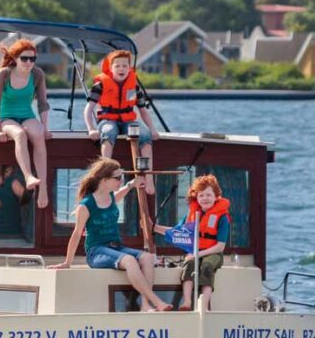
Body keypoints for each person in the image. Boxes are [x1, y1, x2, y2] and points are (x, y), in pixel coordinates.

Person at [50, 158, 172, 312]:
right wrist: (67, 262)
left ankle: (145, 305)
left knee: (147, 258)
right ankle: (157, 302)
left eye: (122, 177)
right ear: (104, 180)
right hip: (97, 252)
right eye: (118, 178)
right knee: (129, 261)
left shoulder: (111, 198)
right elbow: (76, 234)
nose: (121, 181)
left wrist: (131, 185)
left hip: (116, 247)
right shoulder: (86, 205)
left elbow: (121, 192)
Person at [83, 50, 160, 195]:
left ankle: (148, 176)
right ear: (111, 68)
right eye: (117, 66)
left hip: (128, 120)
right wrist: (91, 129)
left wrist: (153, 129)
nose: (121, 69)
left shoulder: (134, 86)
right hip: (107, 119)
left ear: (129, 68)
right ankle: (104, 176)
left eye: (125, 66)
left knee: (145, 135)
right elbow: (88, 110)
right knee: (108, 132)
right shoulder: (101, 85)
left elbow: (143, 111)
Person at [154, 174, 230, 311]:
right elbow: (177, 232)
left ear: (216, 196)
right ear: (196, 197)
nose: (205, 198)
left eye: (208, 195)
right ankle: (187, 302)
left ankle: (204, 305)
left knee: (206, 266)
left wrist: (198, 254)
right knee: (189, 264)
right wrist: (154, 227)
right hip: (195, 252)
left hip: (213, 253)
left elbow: (220, 247)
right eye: (201, 195)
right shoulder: (192, 214)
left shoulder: (222, 218)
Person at [0, 39, 51, 209]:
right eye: (24, 58)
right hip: (7, 117)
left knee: (38, 134)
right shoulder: (4, 74)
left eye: (33, 59)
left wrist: (45, 128)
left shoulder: (37, 74)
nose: (29, 62)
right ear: (15, 58)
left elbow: (43, 104)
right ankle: (29, 176)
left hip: (27, 115)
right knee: (20, 134)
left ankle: (43, 188)